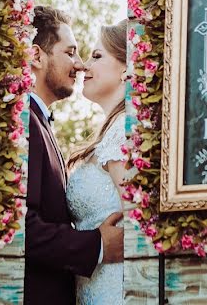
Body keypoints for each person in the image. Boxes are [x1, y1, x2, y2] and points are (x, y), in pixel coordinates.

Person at [24, 6, 124, 305]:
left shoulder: (39, 123)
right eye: (71, 52)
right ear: (37, 56)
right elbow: (20, 226)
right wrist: (97, 245)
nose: (80, 65)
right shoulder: (27, 121)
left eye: (93, 55)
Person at [66, 19, 132, 304]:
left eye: (97, 56)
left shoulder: (123, 129)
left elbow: (138, 220)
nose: (84, 66)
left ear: (127, 68)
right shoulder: (112, 130)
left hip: (116, 289)